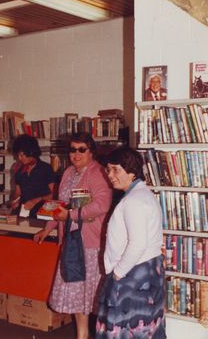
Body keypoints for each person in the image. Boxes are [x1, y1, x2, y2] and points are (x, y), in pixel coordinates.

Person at [34, 132, 113, 339]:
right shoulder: (68, 173)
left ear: (91, 151)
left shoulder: (98, 173)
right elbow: (60, 207)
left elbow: (102, 204)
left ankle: (89, 334)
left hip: (90, 243)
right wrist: (48, 228)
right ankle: (82, 334)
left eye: (81, 149)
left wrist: (71, 214)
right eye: (72, 149)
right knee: (79, 294)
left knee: (91, 294)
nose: (76, 154)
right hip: (71, 242)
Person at [96, 147, 165, 338]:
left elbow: (137, 244)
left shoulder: (135, 201)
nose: (110, 175)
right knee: (146, 328)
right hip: (145, 271)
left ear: (132, 171)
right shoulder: (142, 195)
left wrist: (118, 273)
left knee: (127, 329)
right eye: (108, 169)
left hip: (134, 274)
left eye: (115, 170)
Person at [10, 134, 55, 217]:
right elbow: (17, 193)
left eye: (22, 155)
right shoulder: (19, 170)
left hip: (43, 214)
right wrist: (14, 200)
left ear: (31, 152)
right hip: (24, 213)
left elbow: (53, 195)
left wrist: (36, 200)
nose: (19, 158)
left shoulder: (46, 169)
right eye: (18, 155)